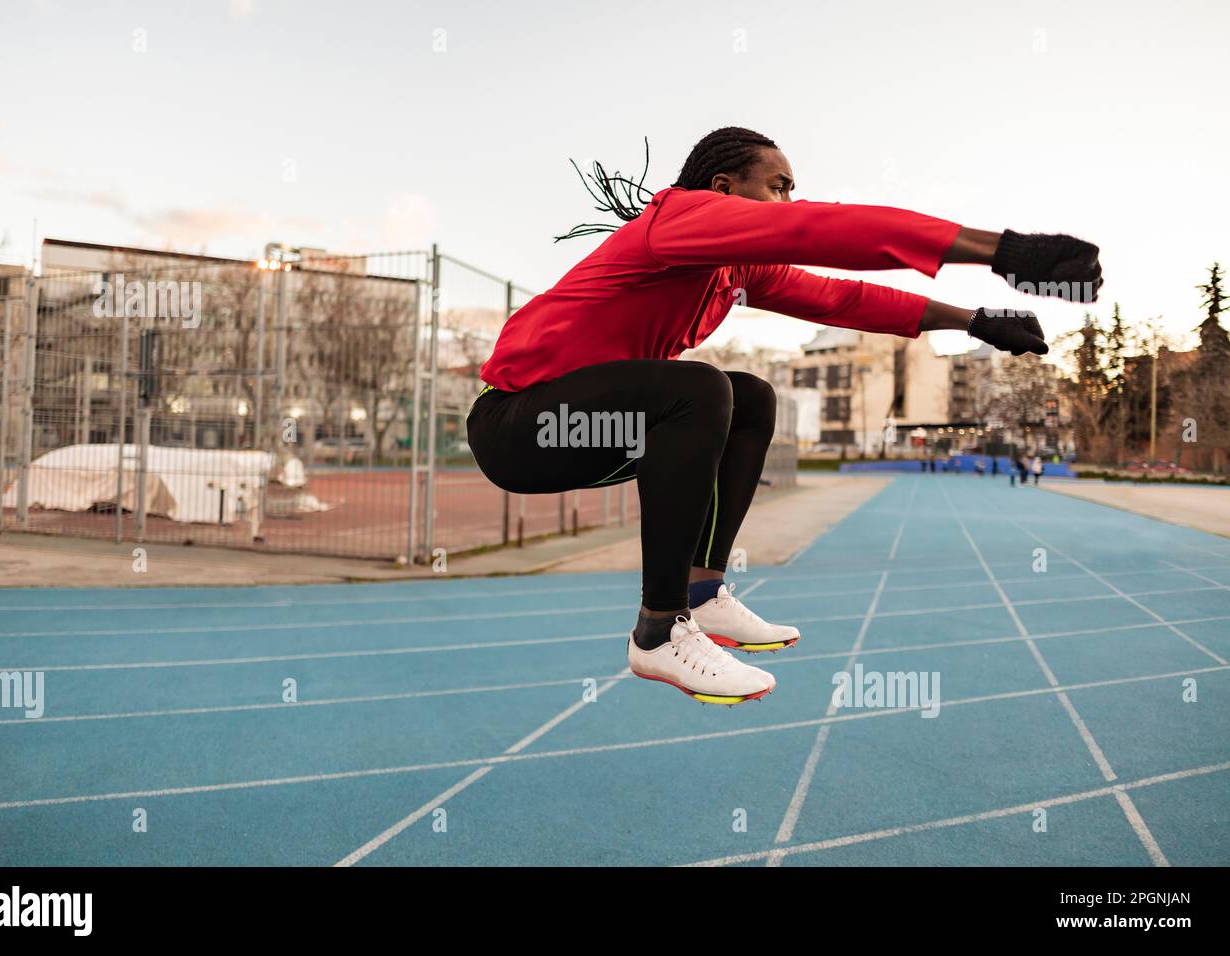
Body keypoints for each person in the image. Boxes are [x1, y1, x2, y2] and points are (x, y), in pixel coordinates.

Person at [467, 127, 1101, 706]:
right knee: (702, 388)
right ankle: (658, 631)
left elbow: (841, 296)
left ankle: (701, 594)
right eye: (778, 187)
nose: (791, 202)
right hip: (519, 427)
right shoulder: (676, 221)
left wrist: (974, 321)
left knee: (750, 398)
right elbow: (819, 231)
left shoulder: (732, 271)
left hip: (595, 429)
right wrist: (1003, 250)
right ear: (723, 190)